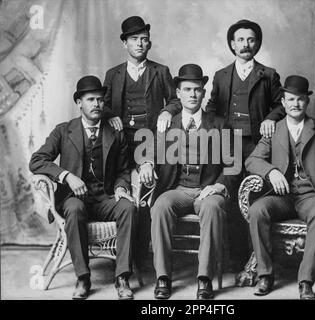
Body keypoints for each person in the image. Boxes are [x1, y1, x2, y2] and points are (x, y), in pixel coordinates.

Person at [245, 75, 315, 299]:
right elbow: (252, 160)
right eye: (290, 99)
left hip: (311, 195)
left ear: (307, 102)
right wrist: (271, 171)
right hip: (281, 195)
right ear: (283, 103)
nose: (295, 104)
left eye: (300, 100)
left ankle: (306, 280)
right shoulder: (273, 130)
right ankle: (265, 275)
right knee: (257, 210)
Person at [29, 76, 137, 300]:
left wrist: (120, 188)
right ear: (79, 103)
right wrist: (66, 176)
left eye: (99, 99)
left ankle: (122, 276)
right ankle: (83, 277)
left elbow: (124, 170)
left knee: (128, 207)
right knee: (74, 209)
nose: (96, 104)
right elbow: (37, 160)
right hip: (74, 197)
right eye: (90, 100)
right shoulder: (63, 130)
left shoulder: (114, 133)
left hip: (106, 197)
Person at [139, 64, 233, 299]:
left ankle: (204, 279)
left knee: (212, 206)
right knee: (160, 206)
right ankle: (163, 277)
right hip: (177, 189)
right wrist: (148, 163)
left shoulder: (220, 124)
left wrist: (219, 185)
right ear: (178, 93)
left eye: (197, 90)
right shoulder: (167, 123)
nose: (192, 94)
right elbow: (150, 150)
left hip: (208, 189)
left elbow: (233, 165)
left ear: (204, 92)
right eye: (187, 89)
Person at [206, 19, 286, 267]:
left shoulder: (268, 74)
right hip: (228, 147)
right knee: (229, 193)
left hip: (256, 148)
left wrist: (271, 119)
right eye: (240, 39)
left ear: (258, 43)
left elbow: (282, 105)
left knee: (255, 196)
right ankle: (236, 257)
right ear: (232, 44)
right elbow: (210, 109)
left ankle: (259, 257)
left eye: (250, 39)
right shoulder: (221, 76)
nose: (245, 44)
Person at [103, 16, 181, 264]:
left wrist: (168, 111)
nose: (140, 44)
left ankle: (142, 257)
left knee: (147, 193)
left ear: (149, 44)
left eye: (144, 40)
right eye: (135, 39)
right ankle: (120, 252)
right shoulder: (113, 74)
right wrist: (111, 114)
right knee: (121, 192)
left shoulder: (161, 71)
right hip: (120, 144)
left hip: (150, 142)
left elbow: (175, 99)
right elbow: (100, 106)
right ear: (125, 43)